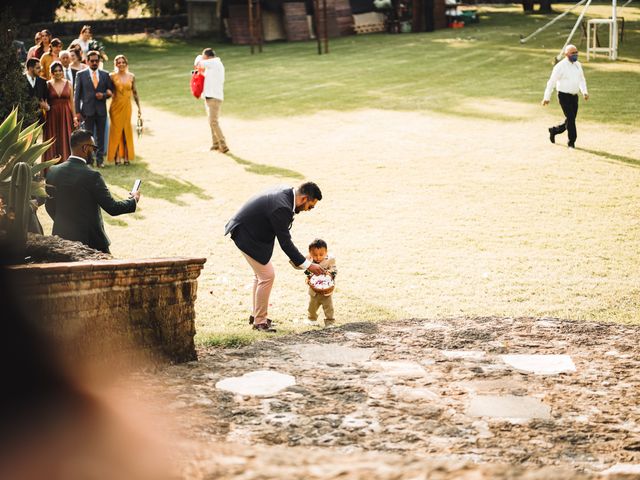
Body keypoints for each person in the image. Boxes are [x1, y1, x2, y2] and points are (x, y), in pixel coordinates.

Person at [224, 182, 326, 332]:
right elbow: (285, 243)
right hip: (245, 234)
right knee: (267, 276)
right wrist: (308, 265)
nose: (309, 210)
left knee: (261, 276)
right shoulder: (282, 207)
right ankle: (260, 322)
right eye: (310, 206)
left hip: (249, 231)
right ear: (304, 199)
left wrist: (301, 261)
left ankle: (256, 316)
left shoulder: (287, 195)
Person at [45, 129, 140, 254]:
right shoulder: (92, 175)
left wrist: (64, 224)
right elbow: (112, 208)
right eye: (93, 148)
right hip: (91, 244)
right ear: (85, 148)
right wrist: (133, 200)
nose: (94, 152)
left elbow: (49, 206)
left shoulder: (53, 171)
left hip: (61, 241)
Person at [542, 44, 589, 149]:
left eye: (576, 52)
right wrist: (546, 97)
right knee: (571, 119)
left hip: (574, 96)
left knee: (570, 119)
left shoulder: (578, 65)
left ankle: (554, 130)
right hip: (563, 96)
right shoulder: (560, 67)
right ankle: (571, 143)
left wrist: (584, 92)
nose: (575, 55)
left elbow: (581, 79)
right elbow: (551, 82)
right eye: (573, 53)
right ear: (566, 54)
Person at [74, 51, 113, 168]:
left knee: (101, 136)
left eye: (97, 60)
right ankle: (89, 160)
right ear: (87, 61)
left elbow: (110, 92)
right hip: (87, 111)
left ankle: (100, 160)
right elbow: (77, 95)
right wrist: (77, 112)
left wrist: (104, 95)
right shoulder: (80, 75)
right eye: (92, 61)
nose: (95, 63)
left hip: (101, 110)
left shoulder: (105, 74)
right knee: (88, 137)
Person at [107, 55, 141, 166]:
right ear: (115, 64)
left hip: (127, 106)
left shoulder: (131, 76)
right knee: (116, 131)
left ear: (126, 63)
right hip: (115, 106)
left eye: (123, 62)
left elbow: (135, 92)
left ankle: (126, 157)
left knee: (126, 130)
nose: (121, 64)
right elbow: (108, 90)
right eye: (119, 62)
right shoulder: (111, 76)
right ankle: (116, 157)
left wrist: (139, 107)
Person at [193, 48, 228, 153]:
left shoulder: (214, 62)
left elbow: (197, 62)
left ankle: (223, 144)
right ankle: (215, 144)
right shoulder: (212, 65)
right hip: (210, 96)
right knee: (211, 122)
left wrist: (200, 57)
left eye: (204, 57)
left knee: (213, 122)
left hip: (214, 97)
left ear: (207, 57)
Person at [43, 61, 78, 164]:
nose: (58, 73)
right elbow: (44, 102)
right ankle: (50, 167)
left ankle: (66, 164)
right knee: (52, 139)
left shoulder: (69, 83)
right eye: (55, 71)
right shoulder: (47, 84)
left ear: (62, 71)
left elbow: (72, 102)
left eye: (60, 70)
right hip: (52, 116)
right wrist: (46, 107)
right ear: (51, 72)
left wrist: (74, 117)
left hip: (66, 115)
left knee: (66, 138)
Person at [303, 238, 337, 328]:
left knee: (329, 307)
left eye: (321, 255)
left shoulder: (330, 259)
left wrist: (330, 273)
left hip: (326, 289)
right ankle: (311, 319)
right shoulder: (308, 261)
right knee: (312, 306)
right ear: (310, 253)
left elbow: (334, 269)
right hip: (314, 289)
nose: (318, 257)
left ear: (326, 252)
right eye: (315, 255)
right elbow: (305, 271)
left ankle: (330, 322)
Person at [24, 58, 49, 124]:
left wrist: (47, 107)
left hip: (39, 121)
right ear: (30, 68)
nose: (40, 70)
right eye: (38, 68)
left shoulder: (43, 82)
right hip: (23, 121)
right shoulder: (20, 81)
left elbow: (45, 101)